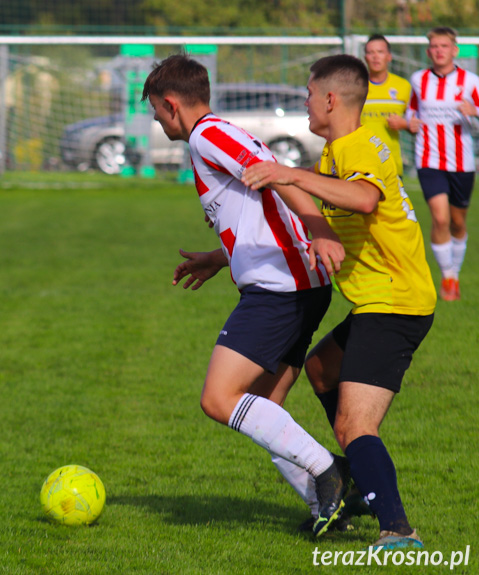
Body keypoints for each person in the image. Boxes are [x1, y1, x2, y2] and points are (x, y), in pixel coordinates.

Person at [141, 54, 351, 537]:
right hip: (293, 283)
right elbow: (258, 205)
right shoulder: (213, 135)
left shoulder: (206, 135)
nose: (156, 119)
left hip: (280, 287)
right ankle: (331, 508)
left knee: (219, 398)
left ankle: (332, 473)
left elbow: (278, 175)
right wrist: (219, 258)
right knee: (262, 405)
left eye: (155, 110)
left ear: (172, 105)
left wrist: (319, 231)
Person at [242, 54, 436, 549]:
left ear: (331, 99)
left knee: (355, 422)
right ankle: (357, 479)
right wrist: (222, 255)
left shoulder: (364, 145)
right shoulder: (334, 155)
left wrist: (291, 173)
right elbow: (310, 206)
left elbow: (365, 200)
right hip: (378, 301)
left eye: (308, 94)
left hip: (396, 303)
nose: (305, 103)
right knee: (322, 370)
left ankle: (397, 529)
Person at [407, 26, 479, 301]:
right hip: (429, 160)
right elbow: (411, 114)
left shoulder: (471, 81)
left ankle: (455, 274)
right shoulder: (418, 80)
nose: (439, 51)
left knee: (458, 223)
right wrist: (410, 124)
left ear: (454, 50)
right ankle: (447, 276)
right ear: (428, 51)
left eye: (444, 46)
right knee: (440, 218)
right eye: (434, 46)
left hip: (462, 163)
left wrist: (475, 110)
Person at [362, 34, 412, 177]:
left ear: (389, 56)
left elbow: (416, 125)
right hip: (361, 164)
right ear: (365, 57)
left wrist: (404, 124)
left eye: (380, 52)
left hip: (392, 165)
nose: (375, 57)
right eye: (371, 53)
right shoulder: (357, 87)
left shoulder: (403, 86)